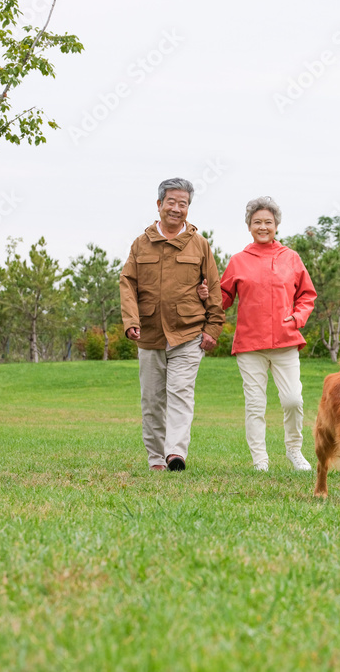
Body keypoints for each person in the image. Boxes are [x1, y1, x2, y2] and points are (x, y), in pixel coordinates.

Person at [197, 196, 316, 472]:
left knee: (293, 400)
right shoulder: (239, 261)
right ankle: (260, 460)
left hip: (286, 342)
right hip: (250, 345)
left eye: (268, 222)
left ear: (276, 226)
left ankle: (294, 451)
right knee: (255, 404)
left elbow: (307, 295)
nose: (263, 227)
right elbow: (223, 297)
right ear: (249, 226)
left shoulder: (291, 258)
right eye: (257, 222)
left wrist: (298, 317)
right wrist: (207, 295)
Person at [120, 178, 225, 472]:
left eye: (183, 204)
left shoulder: (200, 244)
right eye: (172, 202)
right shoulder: (141, 244)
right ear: (159, 205)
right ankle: (156, 458)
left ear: (188, 208)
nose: (177, 209)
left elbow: (213, 288)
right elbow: (127, 283)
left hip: (188, 333)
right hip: (150, 334)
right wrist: (131, 320)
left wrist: (212, 329)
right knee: (152, 400)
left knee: (180, 392)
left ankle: (175, 453)